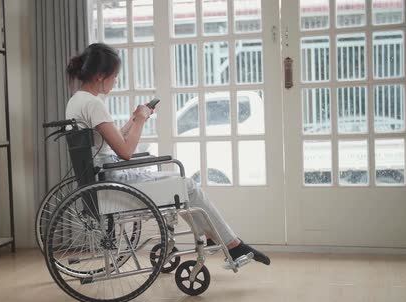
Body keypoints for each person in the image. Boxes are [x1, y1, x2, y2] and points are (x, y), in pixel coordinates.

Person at [64, 43, 270, 266]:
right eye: (114, 76)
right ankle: (232, 245)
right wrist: (141, 121)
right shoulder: (94, 104)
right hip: (113, 180)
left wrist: (134, 119)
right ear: (100, 76)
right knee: (187, 184)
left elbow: (108, 141)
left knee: (179, 182)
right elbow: (125, 152)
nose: (116, 82)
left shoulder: (77, 101)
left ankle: (215, 237)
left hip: (101, 177)